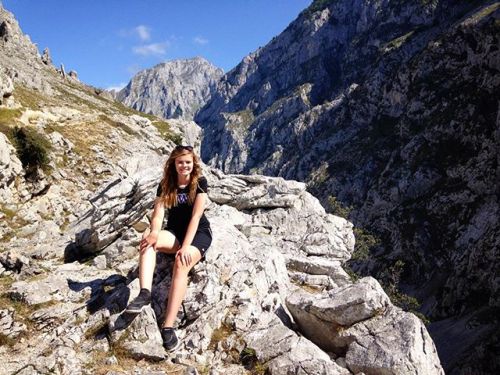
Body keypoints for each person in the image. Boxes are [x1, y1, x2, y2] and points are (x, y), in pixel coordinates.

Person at [125, 145, 212, 352]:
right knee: (147, 239)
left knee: (181, 265)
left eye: (188, 162)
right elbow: (158, 213)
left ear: (193, 164)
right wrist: (155, 231)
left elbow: (196, 216)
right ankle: (145, 292)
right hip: (173, 233)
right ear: (174, 163)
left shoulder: (199, 183)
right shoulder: (166, 184)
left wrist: (187, 246)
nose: (184, 166)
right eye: (180, 162)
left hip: (198, 234)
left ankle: (168, 327)